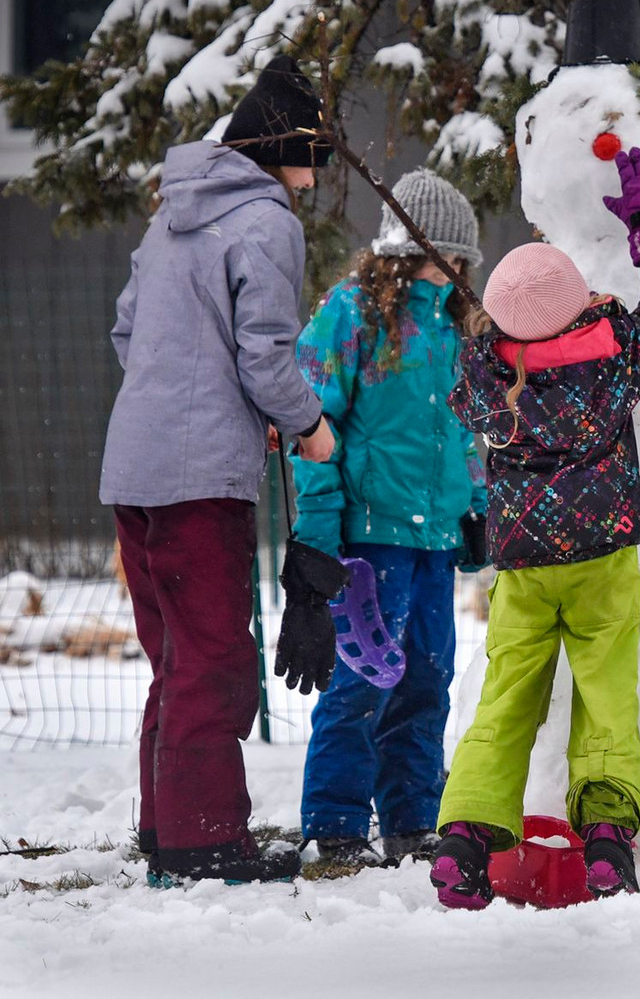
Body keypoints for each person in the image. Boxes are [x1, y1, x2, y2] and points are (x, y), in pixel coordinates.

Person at [428, 147, 640, 909]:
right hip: (603, 559)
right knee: (606, 696)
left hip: (523, 566)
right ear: (581, 306)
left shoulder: (487, 380)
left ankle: (463, 843)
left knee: (507, 697)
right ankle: (608, 845)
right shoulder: (614, 363)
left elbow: (474, 369)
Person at [100, 55, 337, 884]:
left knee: (175, 657)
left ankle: (169, 835)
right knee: (214, 659)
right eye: (316, 157)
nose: (314, 181)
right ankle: (206, 847)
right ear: (283, 146)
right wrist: (306, 428)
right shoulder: (266, 222)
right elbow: (266, 356)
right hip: (200, 480)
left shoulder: (174, 216)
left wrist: (208, 404)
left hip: (136, 464)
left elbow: (130, 336)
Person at [290, 170, 488, 867]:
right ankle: (334, 825)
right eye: (448, 255)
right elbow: (311, 424)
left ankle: (412, 820)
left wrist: (476, 508)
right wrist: (317, 532)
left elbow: (468, 430)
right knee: (362, 680)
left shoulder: (457, 326)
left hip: (433, 538)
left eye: (464, 260)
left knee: (427, 678)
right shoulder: (352, 315)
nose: (457, 268)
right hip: (369, 538)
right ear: (410, 246)